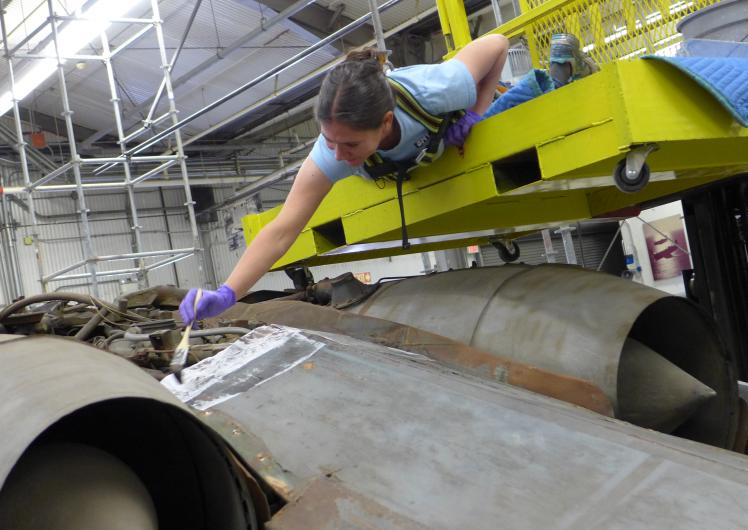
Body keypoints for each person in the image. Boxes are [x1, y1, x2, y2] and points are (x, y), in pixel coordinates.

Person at [180, 34, 509, 325]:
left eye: (350, 144)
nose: (338, 154)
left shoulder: (436, 90)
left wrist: (475, 115)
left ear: (385, 123)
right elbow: (282, 231)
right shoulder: (331, 154)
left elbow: (497, 45)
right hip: (387, 169)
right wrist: (227, 293)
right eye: (330, 141)